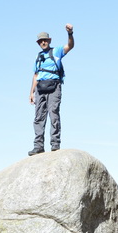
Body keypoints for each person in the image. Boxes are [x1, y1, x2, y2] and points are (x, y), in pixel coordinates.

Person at [28, 24, 74, 155]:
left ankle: (55, 143)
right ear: (38, 43)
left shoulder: (56, 51)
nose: (43, 42)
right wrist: (31, 92)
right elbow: (36, 75)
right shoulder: (38, 57)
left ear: (49, 41)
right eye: (41, 41)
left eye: (45, 40)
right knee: (38, 118)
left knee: (53, 114)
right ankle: (38, 146)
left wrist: (70, 34)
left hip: (54, 86)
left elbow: (70, 46)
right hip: (40, 88)